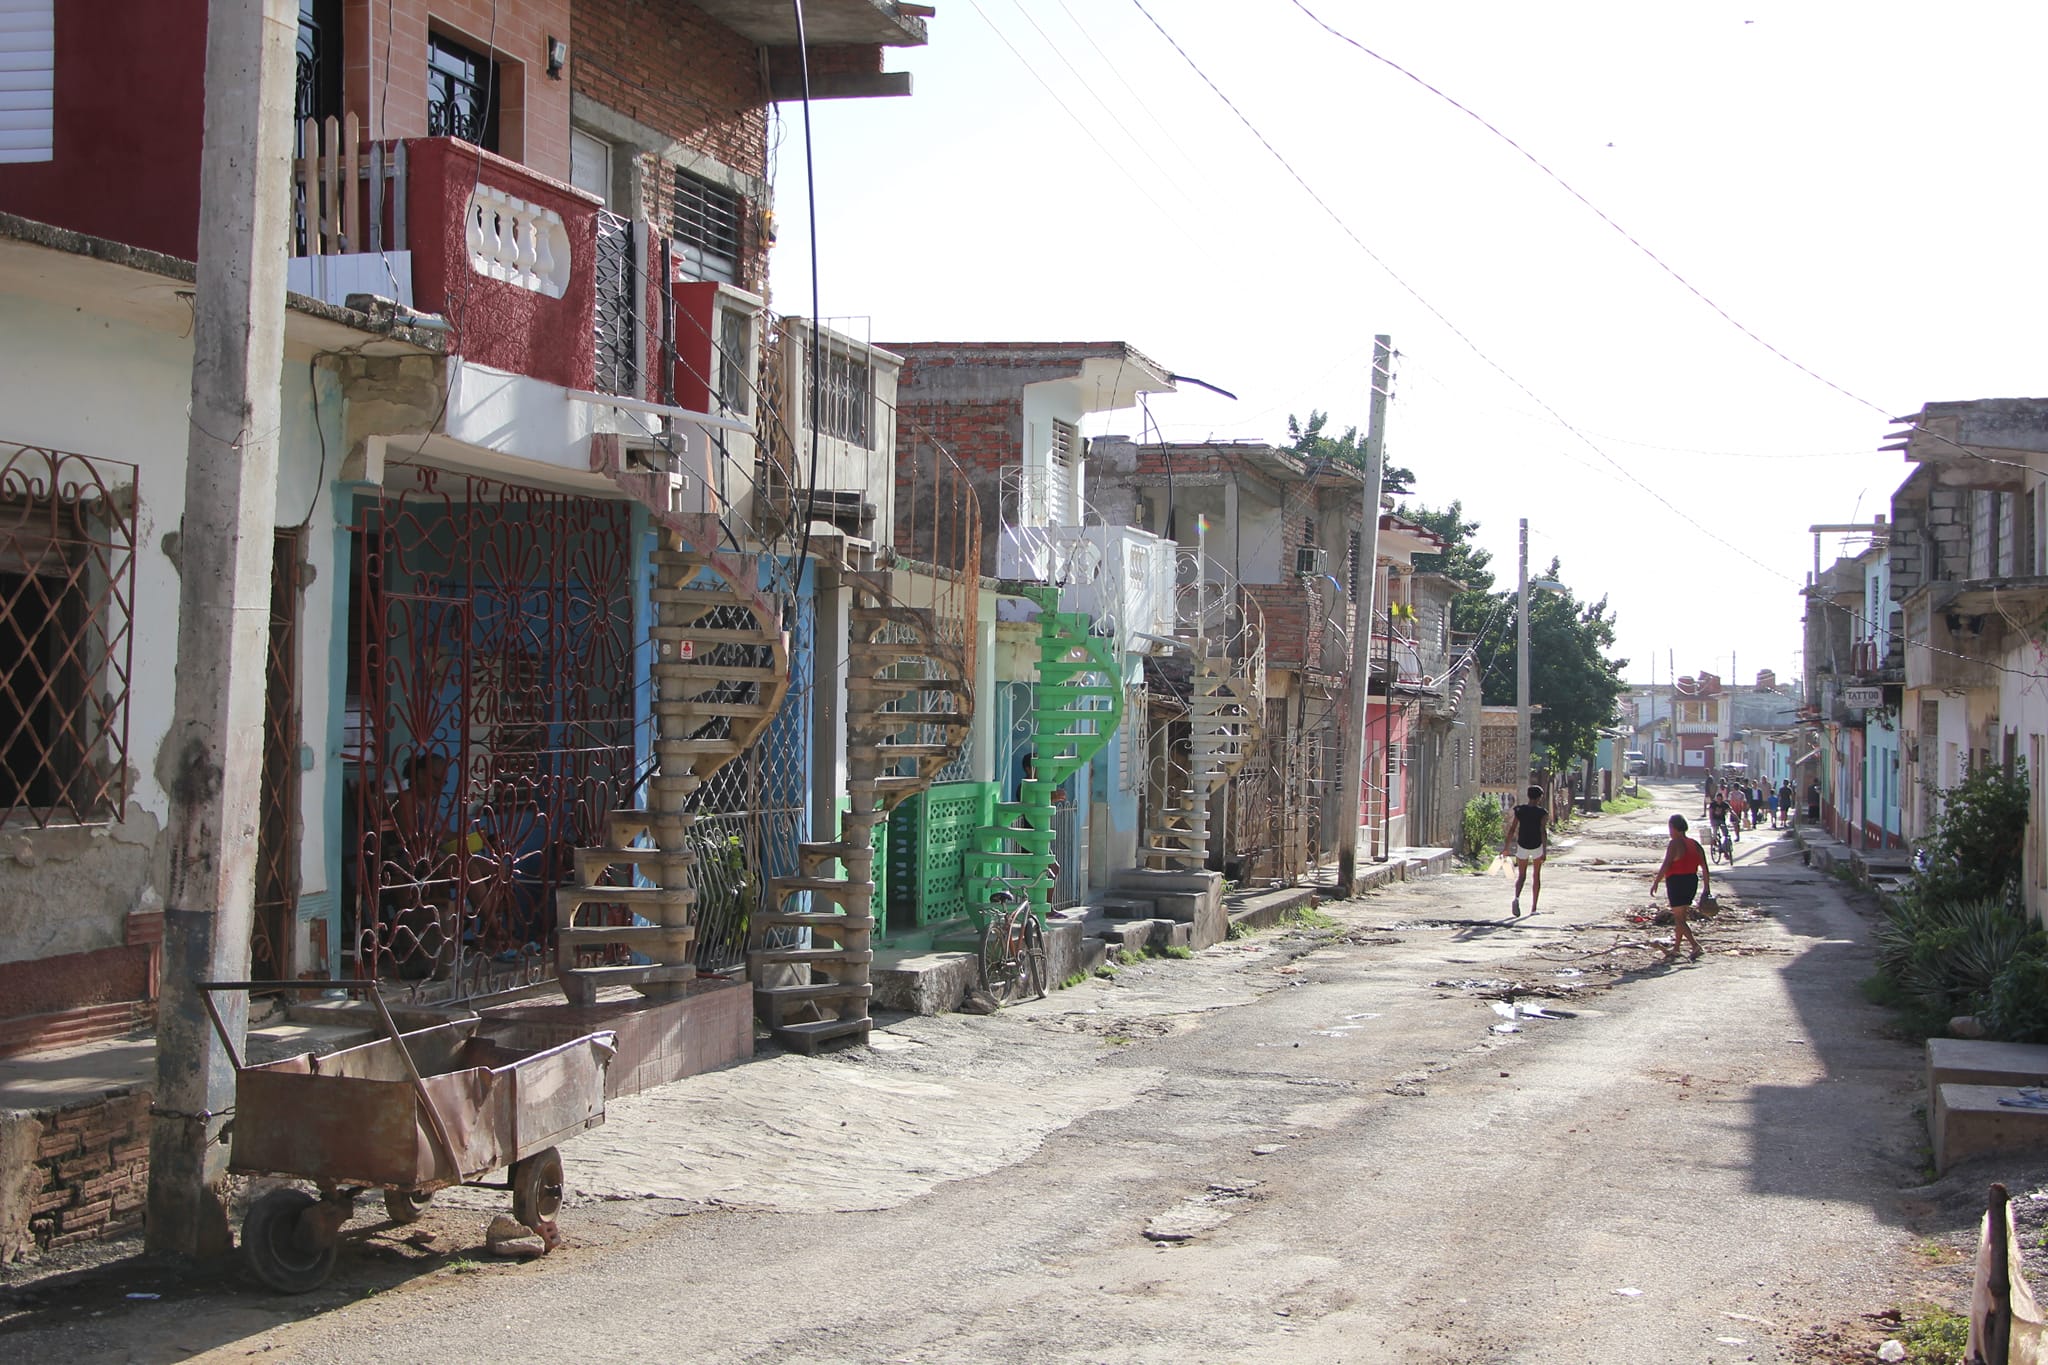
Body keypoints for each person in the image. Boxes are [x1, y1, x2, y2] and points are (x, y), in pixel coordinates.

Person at [1649, 813, 1709, 963]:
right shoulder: (1695, 844)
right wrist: (1706, 888)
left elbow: (1666, 864)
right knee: (1681, 917)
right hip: (1691, 881)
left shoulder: (1674, 843)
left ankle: (1695, 945)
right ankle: (1676, 948)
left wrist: (1656, 881)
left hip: (1677, 882)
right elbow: (1705, 867)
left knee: (1679, 919)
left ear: (1673, 827)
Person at [1503, 784, 1549, 916]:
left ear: (1528, 796)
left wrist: (1506, 848)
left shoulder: (1520, 810)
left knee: (1521, 876)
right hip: (1537, 846)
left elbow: (1512, 829)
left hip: (1522, 845)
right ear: (1539, 798)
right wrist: (1544, 850)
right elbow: (1543, 832)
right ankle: (1533, 908)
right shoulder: (1542, 813)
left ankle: (1516, 898)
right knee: (1536, 876)